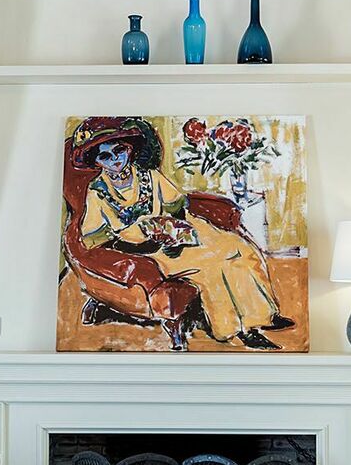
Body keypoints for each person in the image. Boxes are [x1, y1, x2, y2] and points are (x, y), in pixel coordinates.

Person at [66, 117, 291, 349]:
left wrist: (173, 228)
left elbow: (175, 204)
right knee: (212, 265)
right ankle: (237, 329)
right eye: (105, 156)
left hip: (176, 230)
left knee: (237, 247)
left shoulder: (149, 175)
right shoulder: (97, 192)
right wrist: (140, 238)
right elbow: (95, 236)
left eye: (118, 151)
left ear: (129, 149)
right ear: (97, 161)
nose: (115, 160)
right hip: (145, 247)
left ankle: (263, 314)